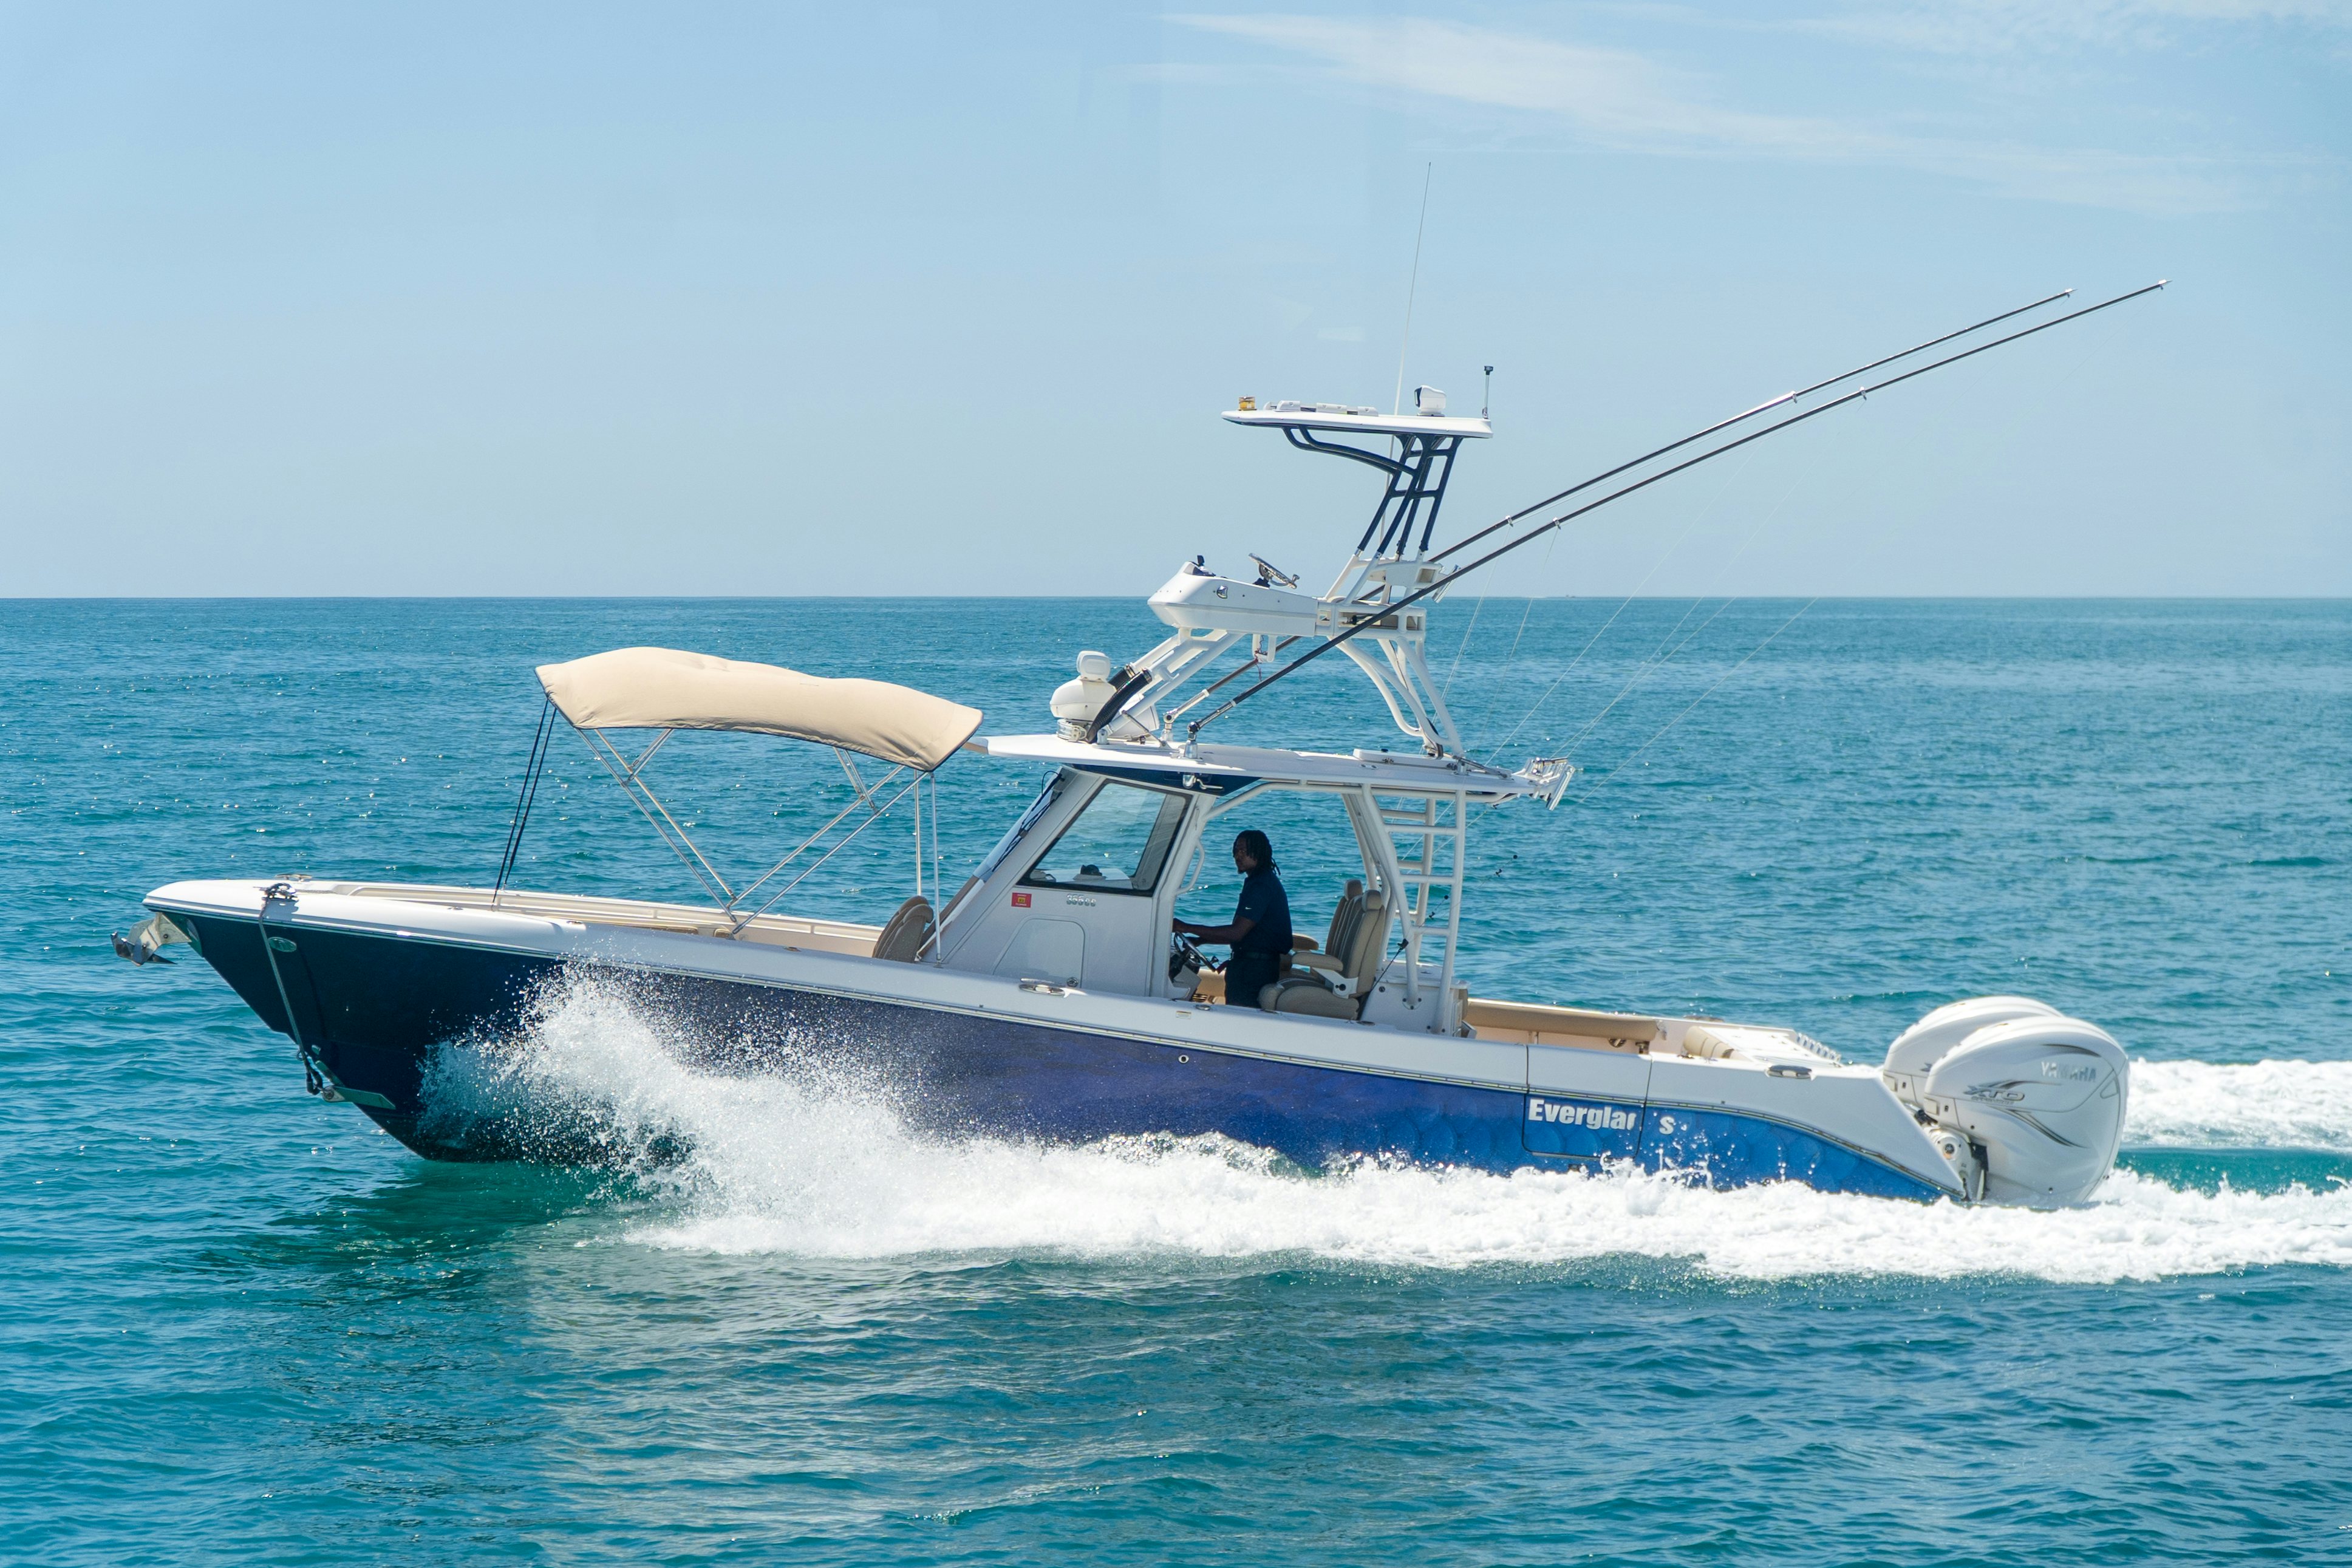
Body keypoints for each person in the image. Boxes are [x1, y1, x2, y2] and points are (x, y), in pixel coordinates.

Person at [1174, 829, 1293, 1011]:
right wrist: (1202, 940)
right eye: (1236, 850)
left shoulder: (1261, 886)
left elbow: (1236, 933)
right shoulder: (1260, 882)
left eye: (1244, 851)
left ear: (1259, 852)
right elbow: (1249, 933)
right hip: (1250, 965)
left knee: (1240, 1019)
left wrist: (1185, 926)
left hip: (1254, 972)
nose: (1238, 855)